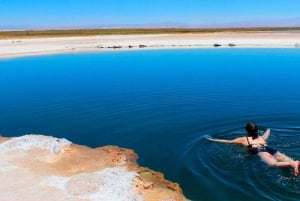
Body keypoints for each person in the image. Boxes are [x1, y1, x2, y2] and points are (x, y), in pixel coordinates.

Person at [206, 122, 299, 176]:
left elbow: (227, 141)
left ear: (246, 131)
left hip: (260, 151)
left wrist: (212, 139)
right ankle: (294, 163)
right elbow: (267, 133)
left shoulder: (243, 139)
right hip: (270, 149)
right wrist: (268, 129)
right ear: (257, 131)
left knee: (273, 164)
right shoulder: (261, 138)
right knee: (285, 159)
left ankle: (292, 163)